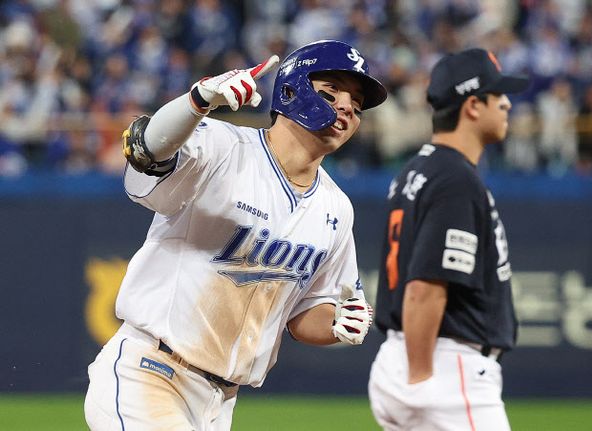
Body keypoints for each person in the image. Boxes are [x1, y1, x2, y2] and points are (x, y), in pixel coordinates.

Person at [84, 39, 386, 431]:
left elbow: (305, 314)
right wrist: (196, 102)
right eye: (331, 93)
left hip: (220, 402)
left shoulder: (336, 208)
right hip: (150, 371)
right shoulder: (224, 146)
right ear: (290, 91)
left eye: (357, 105)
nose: (346, 107)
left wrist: (337, 323)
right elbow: (146, 150)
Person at [368, 48, 529, 431]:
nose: (507, 103)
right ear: (473, 105)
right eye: (497, 95)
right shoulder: (455, 179)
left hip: (406, 355)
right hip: (444, 365)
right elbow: (425, 288)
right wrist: (421, 379)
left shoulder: (417, 169)